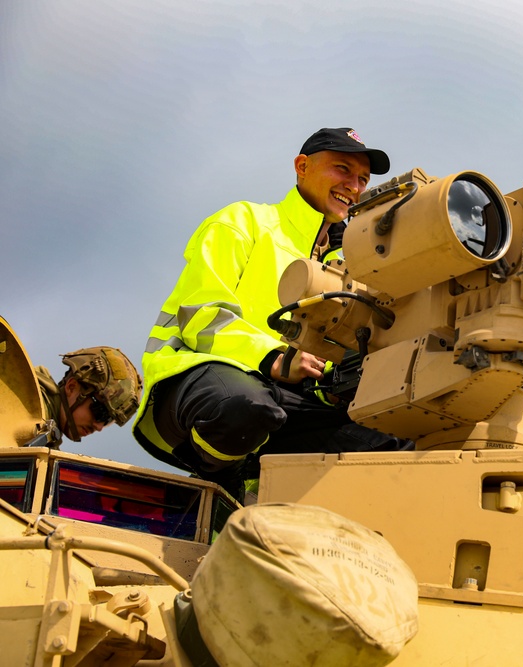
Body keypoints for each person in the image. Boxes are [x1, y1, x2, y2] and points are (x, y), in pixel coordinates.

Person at [133, 127, 410, 495]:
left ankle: (266, 493)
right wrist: (275, 358)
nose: (354, 186)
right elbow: (200, 314)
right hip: (201, 379)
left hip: (289, 401)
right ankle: (219, 482)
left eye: (362, 179)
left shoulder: (352, 266)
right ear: (302, 166)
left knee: (398, 442)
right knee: (248, 406)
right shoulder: (243, 220)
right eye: (343, 169)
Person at [34, 346, 142, 447]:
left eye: (108, 420)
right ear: (71, 387)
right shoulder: (30, 412)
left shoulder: (45, 433)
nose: (99, 427)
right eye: (100, 413)